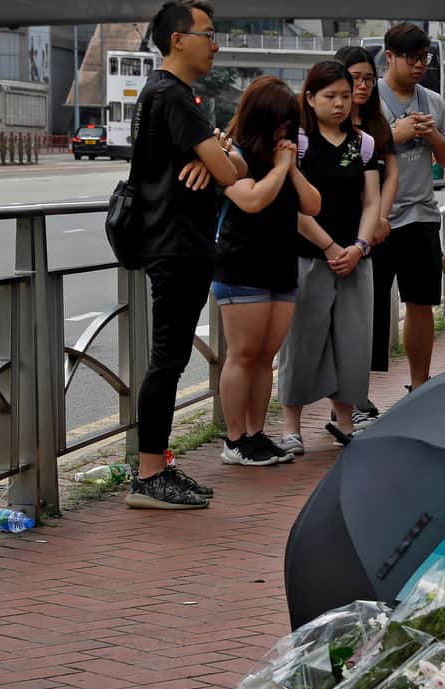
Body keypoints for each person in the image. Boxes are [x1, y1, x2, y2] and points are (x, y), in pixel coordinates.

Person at [125, 0, 243, 510]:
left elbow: (225, 163)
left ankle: (160, 464)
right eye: (208, 34)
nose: (215, 44)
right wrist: (214, 156)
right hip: (175, 243)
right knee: (168, 359)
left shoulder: (169, 95)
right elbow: (232, 171)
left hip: (178, 241)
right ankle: (150, 474)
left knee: (168, 359)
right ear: (178, 39)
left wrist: (214, 155)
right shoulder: (171, 96)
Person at [213, 76, 322, 466]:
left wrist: (290, 169)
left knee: (265, 357)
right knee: (242, 354)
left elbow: (312, 205)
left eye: (290, 124)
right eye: (279, 122)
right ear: (261, 118)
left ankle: (257, 434)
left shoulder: (286, 157)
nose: (285, 131)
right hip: (241, 264)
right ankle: (234, 439)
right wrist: (279, 167)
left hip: (281, 263)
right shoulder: (232, 155)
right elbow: (253, 200)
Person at [277, 61, 383, 454]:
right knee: (302, 342)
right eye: (330, 96)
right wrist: (328, 246)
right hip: (308, 256)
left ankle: (343, 420)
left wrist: (359, 246)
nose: (339, 104)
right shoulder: (298, 144)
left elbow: (371, 201)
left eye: (344, 95)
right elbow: (292, 206)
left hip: (356, 259)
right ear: (310, 98)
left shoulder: (364, 143)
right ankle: (291, 428)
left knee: (353, 343)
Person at [373, 24, 445, 392]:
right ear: (390, 56)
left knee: (421, 304)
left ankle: (419, 384)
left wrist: (431, 135)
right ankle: (356, 397)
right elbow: (348, 151)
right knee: (370, 309)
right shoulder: (368, 97)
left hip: (421, 216)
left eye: (425, 58)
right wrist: (395, 134)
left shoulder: (433, 102)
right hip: (375, 219)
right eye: (413, 58)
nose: (420, 65)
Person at [334, 45, 398, 430]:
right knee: (330, 325)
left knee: (364, 322)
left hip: (370, 235)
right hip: (332, 233)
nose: (361, 85)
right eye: (354, 77)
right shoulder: (319, 120)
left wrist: (380, 218)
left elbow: (390, 174)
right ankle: (338, 402)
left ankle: (356, 397)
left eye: (368, 79)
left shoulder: (376, 124)